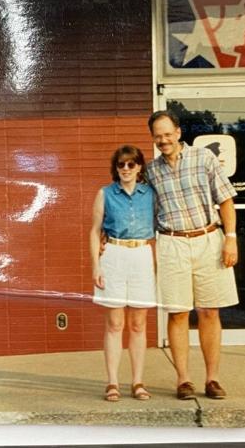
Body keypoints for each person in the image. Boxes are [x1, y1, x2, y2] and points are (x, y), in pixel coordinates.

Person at [144, 110, 238, 400]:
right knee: (178, 312)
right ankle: (183, 379)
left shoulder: (204, 158)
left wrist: (231, 239)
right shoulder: (151, 171)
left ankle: (212, 379)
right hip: (172, 243)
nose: (163, 140)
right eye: (158, 136)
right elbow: (145, 212)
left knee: (210, 311)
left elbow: (225, 200)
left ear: (178, 132)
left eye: (167, 134)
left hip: (208, 238)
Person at [89, 145, 156, 402]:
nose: (126, 169)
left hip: (141, 255)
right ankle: (113, 382)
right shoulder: (105, 194)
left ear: (139, 167)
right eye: (121, 165)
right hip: (114, 255)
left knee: (138, 323)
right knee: (115, 323)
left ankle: (138, 381)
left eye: (131, 164)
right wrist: (96, 265)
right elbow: (95, 231)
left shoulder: (150, 193)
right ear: (115, 168)